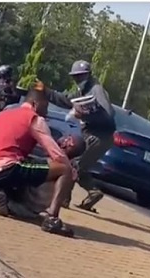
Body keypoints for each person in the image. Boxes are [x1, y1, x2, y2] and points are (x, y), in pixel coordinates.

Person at [0, 83, 78, 237]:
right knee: (64, 169)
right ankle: (52, 220)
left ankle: (4, 193)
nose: (46, 111)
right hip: (9, 168)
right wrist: (70, 171)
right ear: (35, 104)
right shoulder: (34, 119)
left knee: (28, 164)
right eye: (45, 106)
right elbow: (56, 154)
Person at [42, 61, 116, 212]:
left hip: (99, 137)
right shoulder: (81, 92)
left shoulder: (96, 89)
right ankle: (93, 192)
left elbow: (109, 114)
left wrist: (87, 114)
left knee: (74, 166)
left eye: (81, 76)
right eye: (75, 77)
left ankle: (63, 199)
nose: (78, 80)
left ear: (88, 75)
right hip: (90, 135)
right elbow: (65, 99)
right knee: (77, 166)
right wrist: (46, 91)